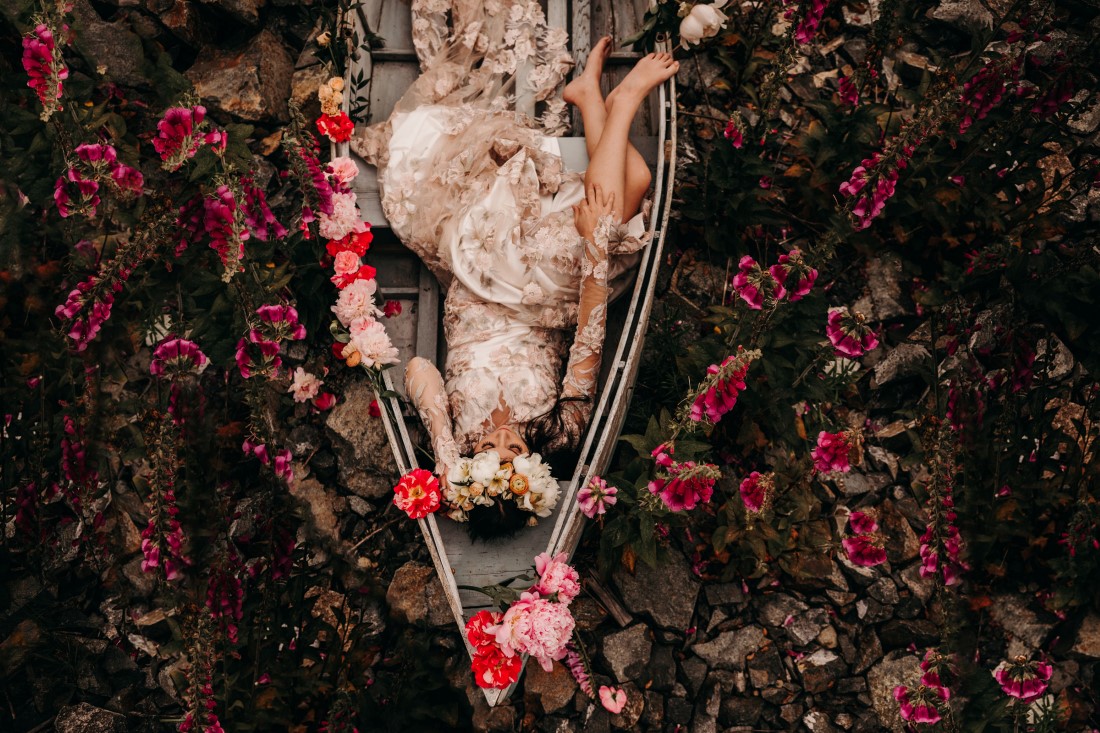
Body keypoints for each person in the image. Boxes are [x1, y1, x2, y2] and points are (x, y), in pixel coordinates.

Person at [352, 0, 677, 537]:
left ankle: (613, 104)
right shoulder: (560, 433)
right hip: (554, 300)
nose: (503, 442)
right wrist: (595, 251)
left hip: (485, 276)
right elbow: (588, 342)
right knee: (628, 194)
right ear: (534, 468)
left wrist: (445, 450)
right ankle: (593, 101)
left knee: (622, 198)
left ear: (471, 466)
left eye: (490, 454)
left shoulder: (458, 436)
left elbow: (419, 371)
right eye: (514, 453)